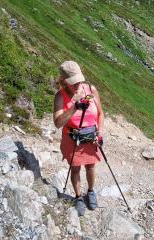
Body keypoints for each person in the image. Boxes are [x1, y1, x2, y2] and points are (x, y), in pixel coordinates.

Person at [53, 60, 104, 216]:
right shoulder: (60, 97)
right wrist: (74, 107)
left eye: (79, 80)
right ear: (63, 81)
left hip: (90, 137)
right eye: (73, 82)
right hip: (72, 138)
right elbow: (58, 123)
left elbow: (100, 114)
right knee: (75, 169)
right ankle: (78, 197)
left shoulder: (91, 90)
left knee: (90, 166)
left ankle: (90, 191)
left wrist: (99, 133)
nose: (78, 85)